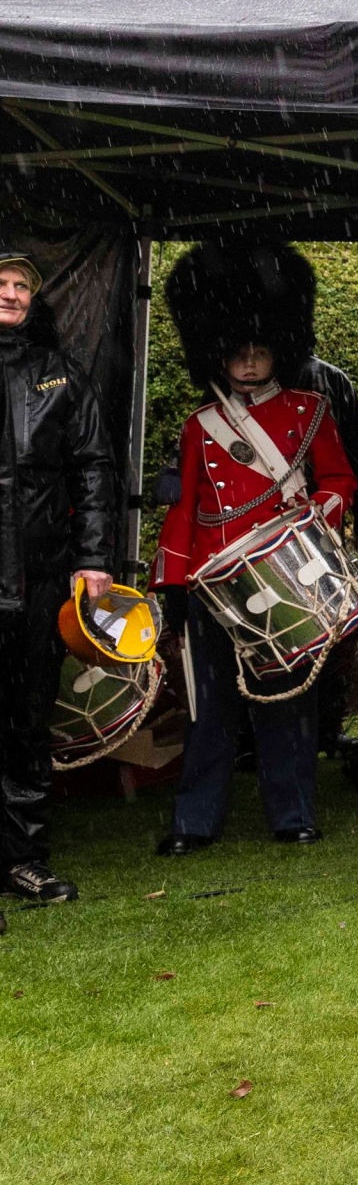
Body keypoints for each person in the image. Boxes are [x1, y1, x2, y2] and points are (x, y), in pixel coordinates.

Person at [153, 241, 358, 854]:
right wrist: (173, 584)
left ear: (279, 353)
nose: (248, 363)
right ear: (219, 355)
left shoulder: (311, 410)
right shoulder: (199, 425)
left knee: (286, 701)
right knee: (210, 707)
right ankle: (194, 822)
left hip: (283, 573)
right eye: (238, 352)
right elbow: (185, 509)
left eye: (260, 351)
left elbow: (340, 481)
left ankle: (292, 814)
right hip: (214, 579)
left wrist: (312, 520)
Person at [0, 255, 115, 914]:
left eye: (22, 286)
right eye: (1, 284)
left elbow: (93, 466)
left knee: (27, 719)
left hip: (39, 576)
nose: (12, 294)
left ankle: (23, 860)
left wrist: (94, 556)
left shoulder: (60, 372)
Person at [283, 348, 358, 758]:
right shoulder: (240, 378)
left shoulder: (332, 381)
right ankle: (271, 735)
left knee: (335, 627)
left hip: (323, 520)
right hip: (262, 524)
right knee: (281, 628)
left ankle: (325, 729)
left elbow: (356, 451)